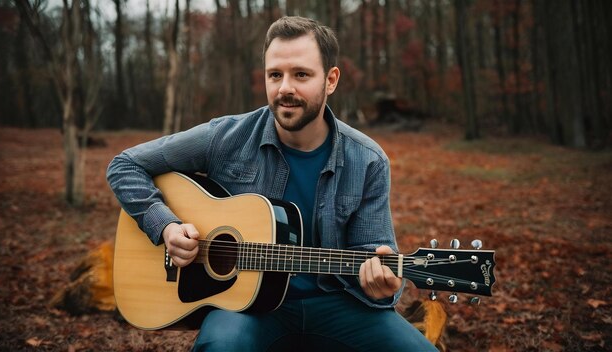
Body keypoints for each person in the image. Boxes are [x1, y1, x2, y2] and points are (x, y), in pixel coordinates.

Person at [107, 16, 437, 352]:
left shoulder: (367, 160)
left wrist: (385, 283)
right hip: (245, 309)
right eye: (275, 75)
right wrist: (166, 227)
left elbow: (375, 255)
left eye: (301, 75)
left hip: (337, 306)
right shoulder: (225, 137)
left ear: (331, 79)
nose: (285, 89)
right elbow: (125, 165)